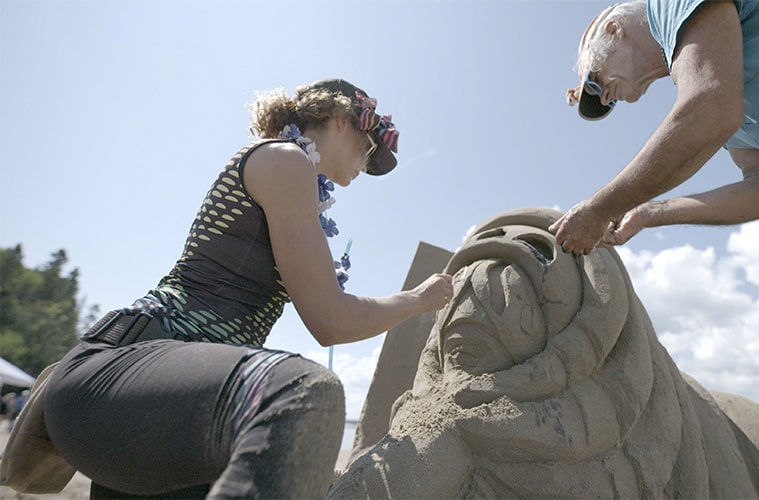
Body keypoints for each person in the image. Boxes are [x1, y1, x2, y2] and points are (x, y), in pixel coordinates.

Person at [42, 78, 453, 498]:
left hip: (167, 409)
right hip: (133, 373)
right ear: (342, 120)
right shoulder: (285, 161)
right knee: (305, 392)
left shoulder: (293, 174)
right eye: (369, 149)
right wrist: (419, 299)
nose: (366, 164)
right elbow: (331, 320)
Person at [551, 0, 759, 254]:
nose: (607, 98)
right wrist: (649, 213)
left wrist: (600, 208)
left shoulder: (670, 5)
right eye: (602, 102)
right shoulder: (724, 93)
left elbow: (711, 107)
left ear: (613, 29)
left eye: (596, 84)